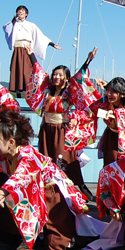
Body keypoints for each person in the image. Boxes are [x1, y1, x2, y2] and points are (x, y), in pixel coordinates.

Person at [0, 110, 97, 250]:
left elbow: (21, 175)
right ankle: (19, 233)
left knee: (54, 244)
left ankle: (71, 235)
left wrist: (3, 191)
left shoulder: (28, 155)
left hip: (53, 194)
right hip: (32, 194)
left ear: (11, 142)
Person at [26, 46, 97, 200]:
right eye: (55, 74)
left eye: (60, 75)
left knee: (64, 159)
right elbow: (38, 72)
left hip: (62, 130)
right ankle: (48, 190)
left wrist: (88, 61)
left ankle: (79, 188)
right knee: (46, 157)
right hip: (46, 129)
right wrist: (31, 54)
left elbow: (79, 77)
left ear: (66, 78)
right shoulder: (47, 90)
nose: (56, 77)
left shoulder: (69, 91)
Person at [3, 5, 60, 95]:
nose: (20, 12)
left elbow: (41, 37)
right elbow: (7, 29)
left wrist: (52, 44)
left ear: (26, 14)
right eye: (18, 10)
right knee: (17, 70)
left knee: (27, 71)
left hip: (27, 50)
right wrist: (14, 19)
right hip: (17, 49)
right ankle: (18, 93)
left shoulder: (31, 25)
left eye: (22, 11)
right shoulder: (13, 24)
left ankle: (29, 93)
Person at [89, 77, 125, 165]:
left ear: (122, 94)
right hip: (111, 136)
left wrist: (115, 113)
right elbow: (89, 110)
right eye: (108, 91)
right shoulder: (104, 102)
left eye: (113, 92)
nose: (109, 94)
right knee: (111, 163)